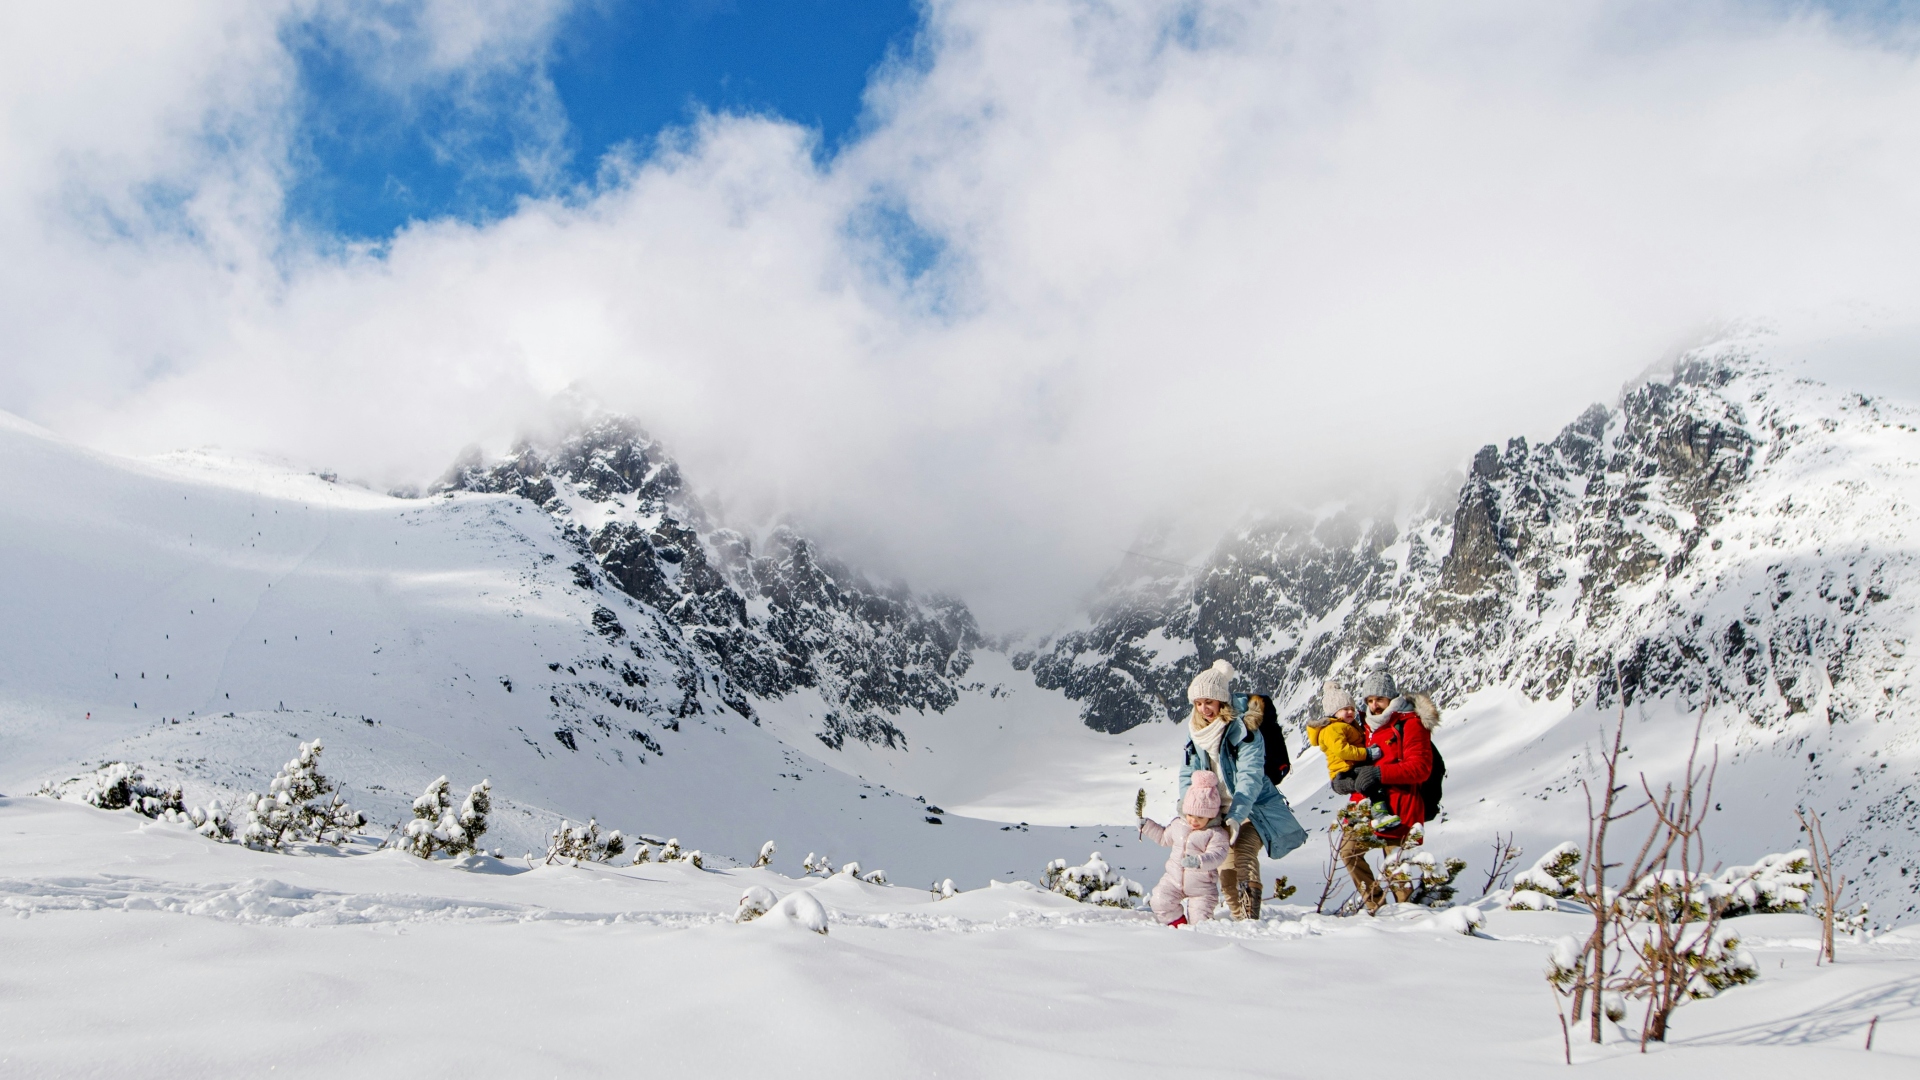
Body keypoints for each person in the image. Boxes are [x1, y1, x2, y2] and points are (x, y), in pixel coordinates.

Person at [1178, 660, 1309, 920]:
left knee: (1245, 854)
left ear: (1221, 701)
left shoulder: (1244, 731)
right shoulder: (1196, 733)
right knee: (1226, 871)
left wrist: (1238, 815)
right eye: (1198, 703)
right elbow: (1187, 774)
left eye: (1209, 702)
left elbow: (1251, 777)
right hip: (1217, 813)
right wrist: (1187, 807)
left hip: (1253, 808)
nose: (1204, 709)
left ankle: (1251, 920)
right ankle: (1241, 922)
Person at [1338, 662, 1435, 913]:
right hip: (1366, 807)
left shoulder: (1410, 723)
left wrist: (1380, 773)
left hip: (1399, 809)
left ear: (1391, 697)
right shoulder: (1365, 726)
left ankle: (1408, 916)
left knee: (1397, 873)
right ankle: (1376, 906)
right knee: (1349, 852)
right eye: (1369, 700)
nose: (1373, 705)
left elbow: (1420, 768)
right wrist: (1345, 780)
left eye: (1379, 699)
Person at [1139, 770, 1230, 926]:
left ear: (1211, 816)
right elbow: (1163, 838)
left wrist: (1199, 861)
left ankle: (1197, 934)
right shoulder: (1178, 825)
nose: (1193, 821)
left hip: (1202, 888)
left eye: (1200, 817)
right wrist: (1146, 826)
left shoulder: (1215, 833)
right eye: (1190, 815)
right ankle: (1178, 926)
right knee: (1159, 901)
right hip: (1173, 879)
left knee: (1200, 919)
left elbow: (1217, 855)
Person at [1306, 681, 1398, 829]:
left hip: (1349, 769)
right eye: (1344, 709)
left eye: (1351, 709)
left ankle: (1359, 820)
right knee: (1370, 780)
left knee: (1366, 785)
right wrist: (1367, 754)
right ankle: (1380, 814)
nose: (1349, 712)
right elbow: (1343, 750)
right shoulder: (1332, 729)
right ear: (1334, 712)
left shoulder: (1347, 726)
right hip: (1344, 772)